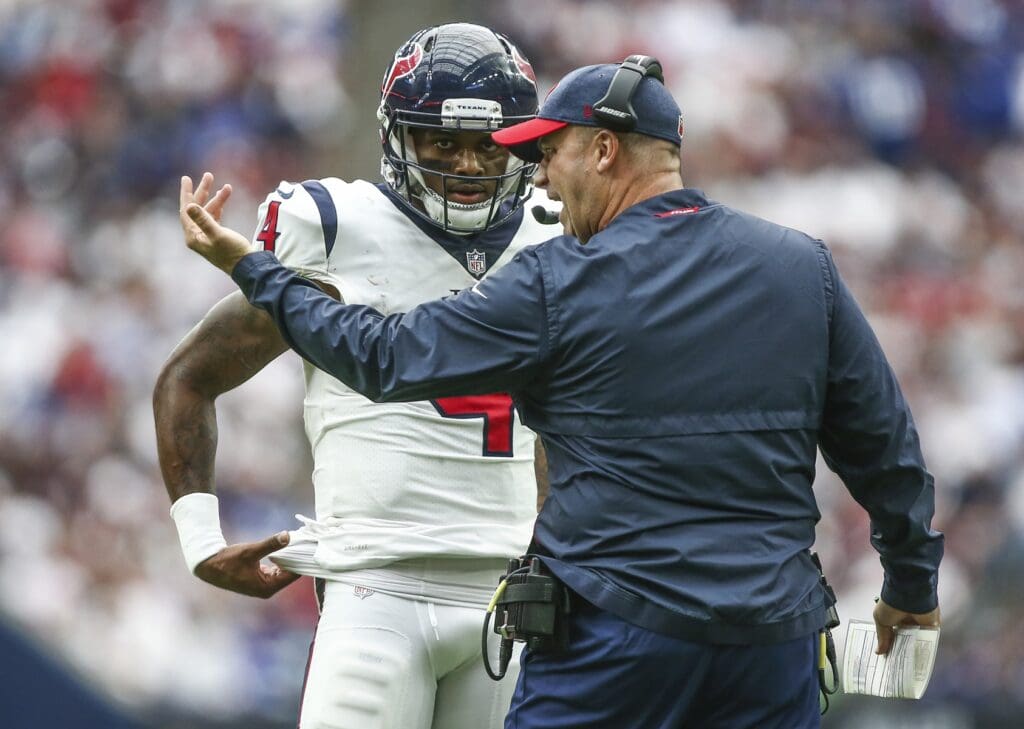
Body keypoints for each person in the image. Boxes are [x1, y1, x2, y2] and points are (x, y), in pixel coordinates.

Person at [179, 56, 944, 729]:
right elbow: (885, 448)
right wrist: (910, 582)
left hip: (614, 635)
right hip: (771, 641)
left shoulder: (559, 279)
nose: (538, 176)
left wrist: (257, 269)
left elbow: (381, 357)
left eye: (550, 153)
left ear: (603, 149)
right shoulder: (799, 265)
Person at [155, 23, 556, 729]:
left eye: (486, 145)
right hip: (376, 588)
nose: (466, 164)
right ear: (399, 138)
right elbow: (190, 377)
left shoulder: (557, 235)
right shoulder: (338, 227)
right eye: (442, 142)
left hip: (514, 593)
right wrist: (200, 539)